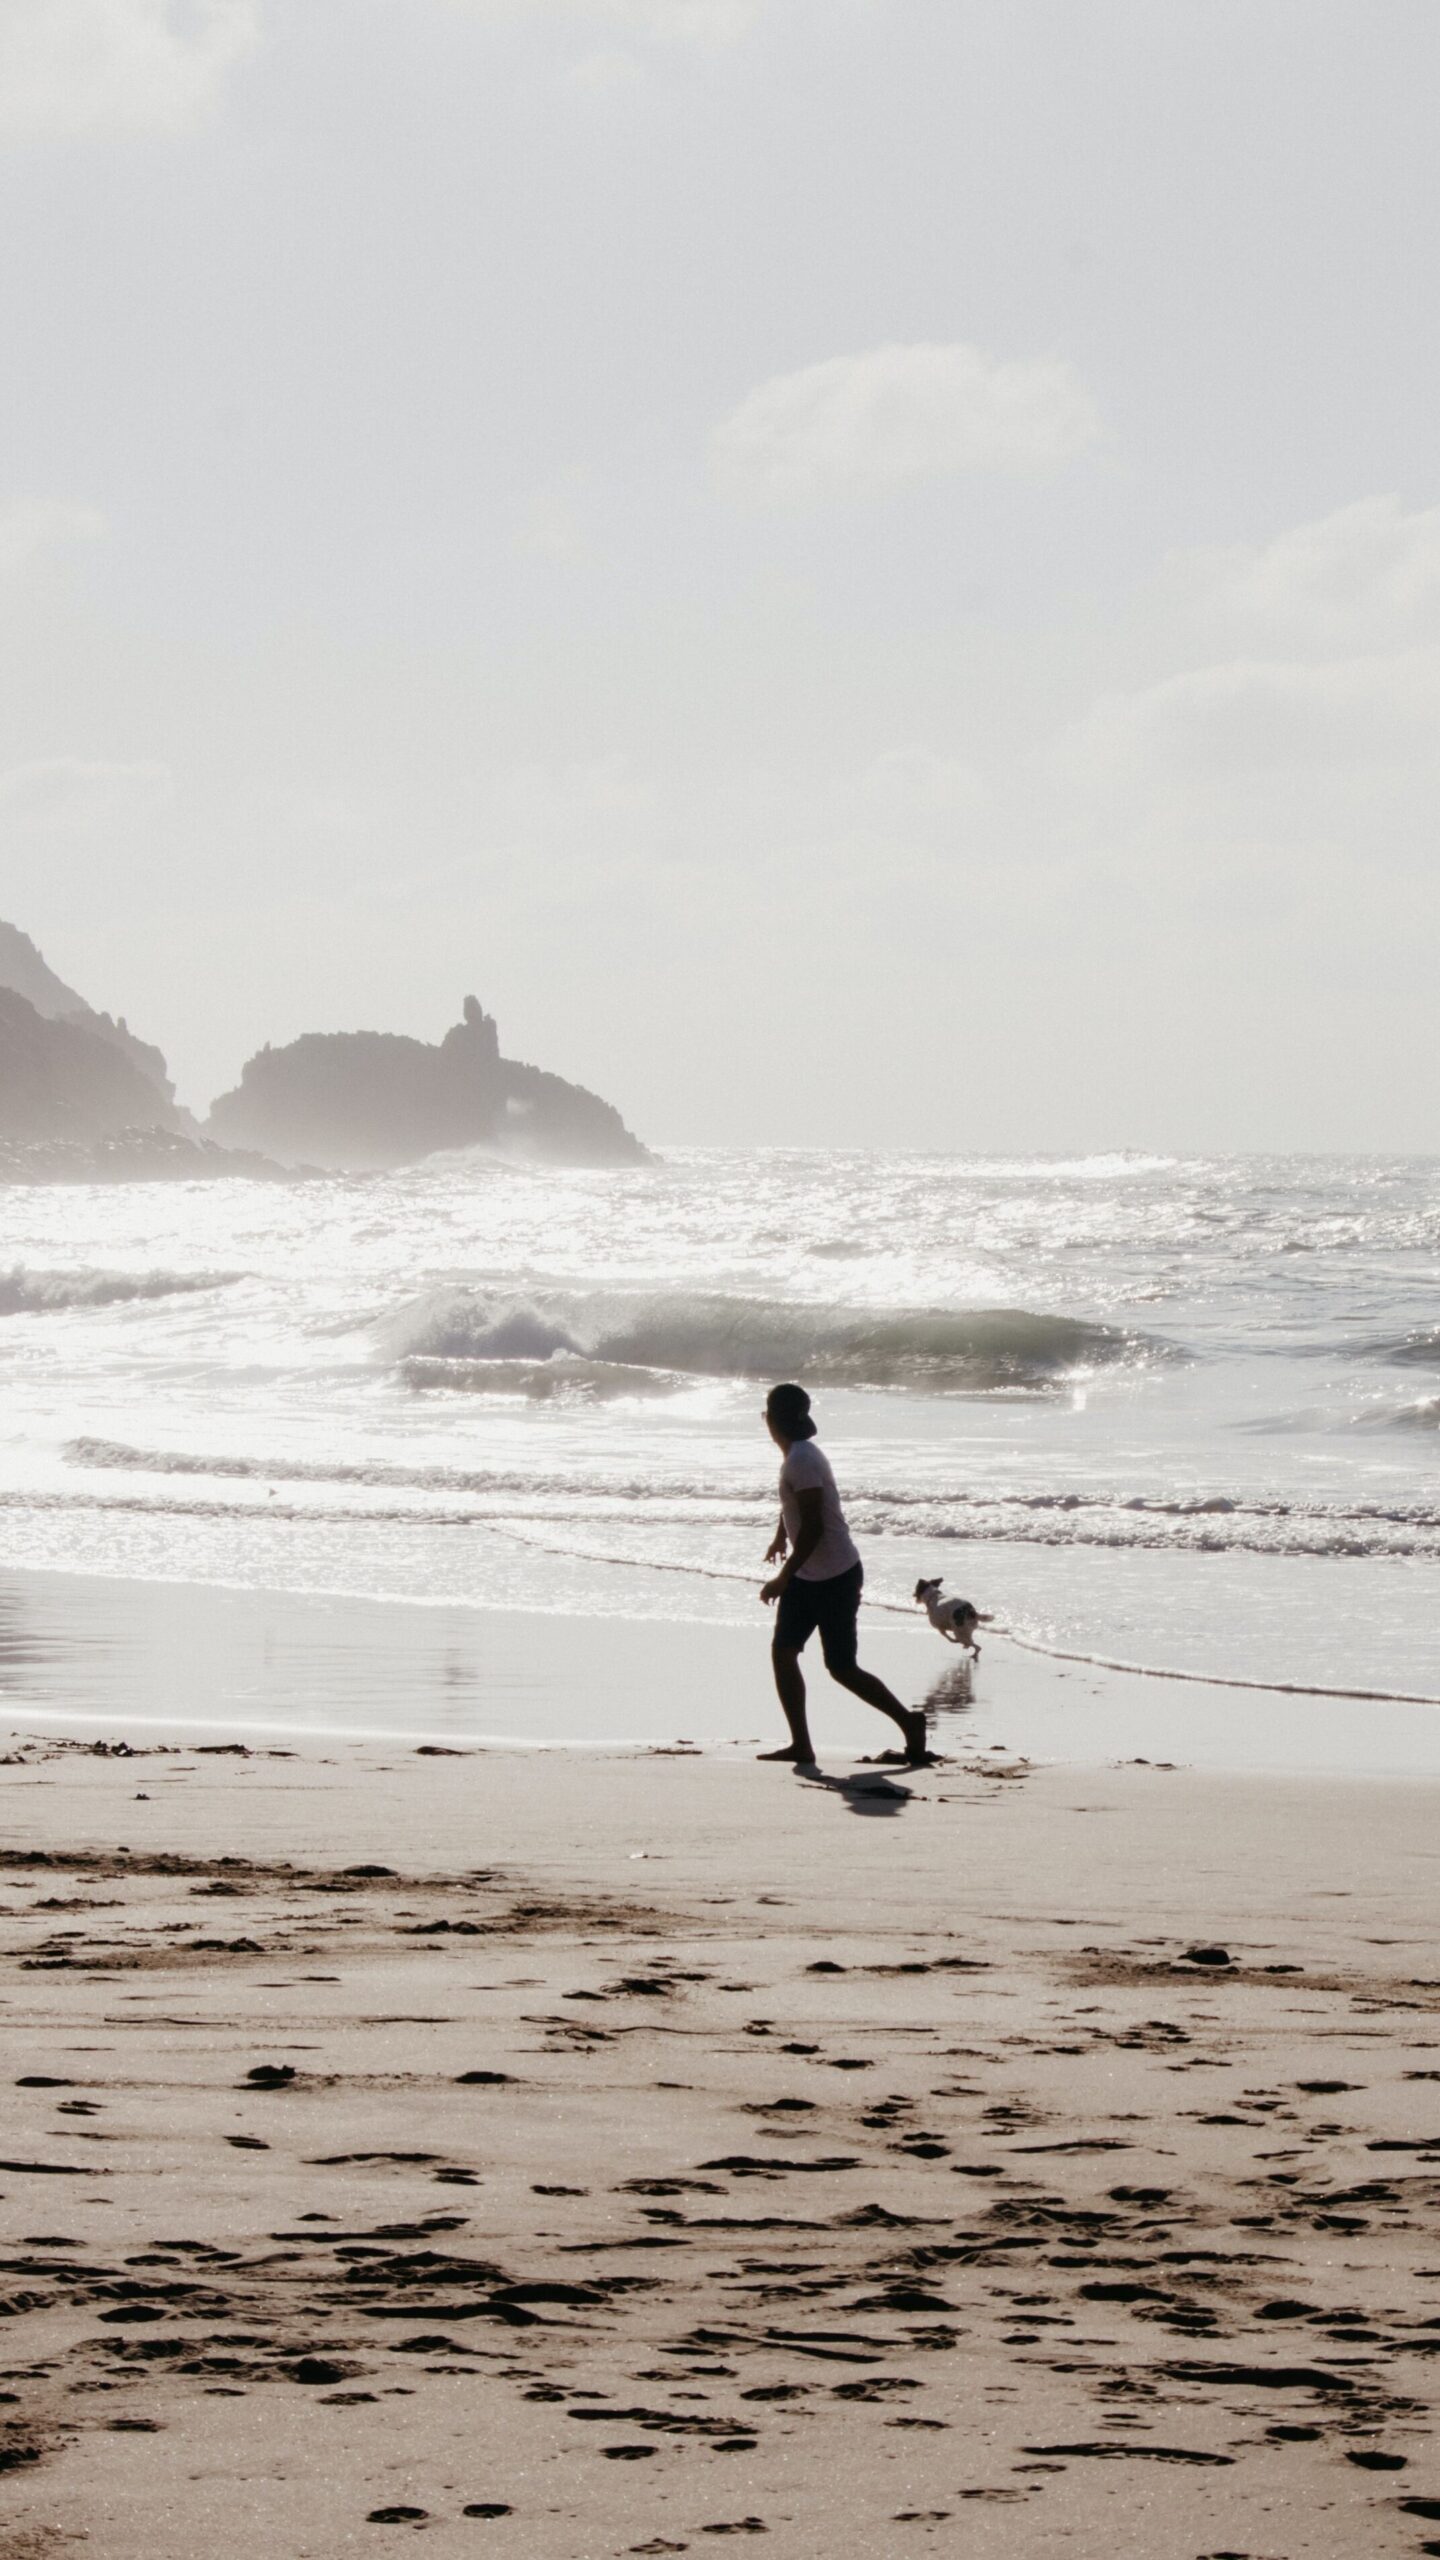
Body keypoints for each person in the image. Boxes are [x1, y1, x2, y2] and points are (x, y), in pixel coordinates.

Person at [758, 1381, 928, 1768]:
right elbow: (796, 1507)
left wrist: (784, 1576)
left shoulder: (802, 1458)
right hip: (810, 1575)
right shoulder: (797, 1456)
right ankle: (801, 1744)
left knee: (841, 1668)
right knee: (783, 1652)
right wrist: (779, 1536)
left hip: (835, 1576)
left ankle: (910, 1722)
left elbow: (815, 1524)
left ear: (770, 1420)